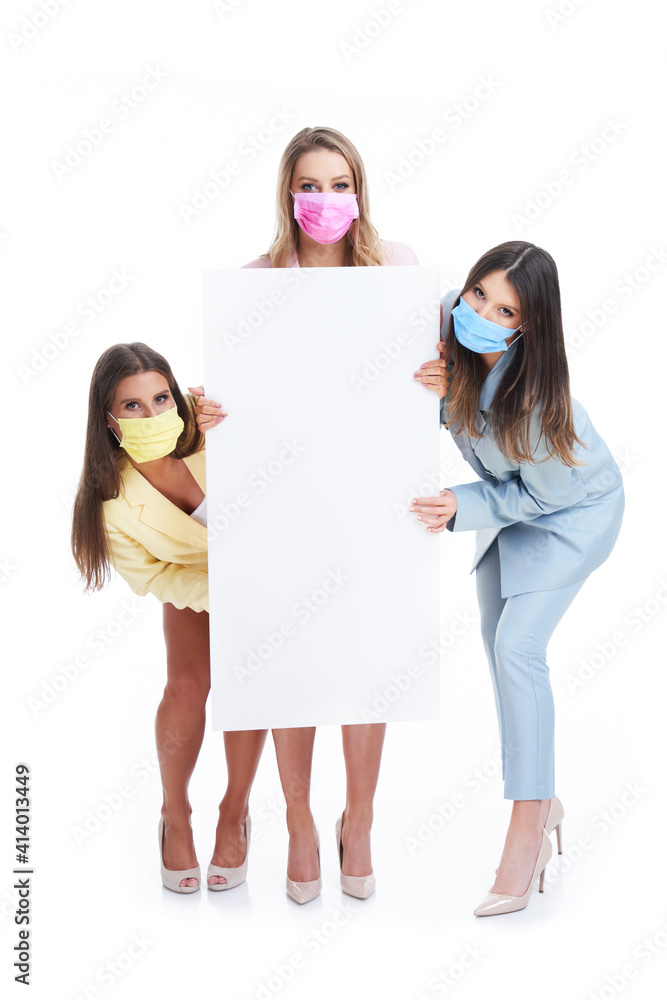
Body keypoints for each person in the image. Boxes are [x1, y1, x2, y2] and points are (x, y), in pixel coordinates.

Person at [411, 241, 624, 916]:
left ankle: (529, 819)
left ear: (525, 325)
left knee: (517, 649)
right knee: (493, 640)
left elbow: (541, 496)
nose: (479, 313)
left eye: (503, 310)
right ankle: (545, 798)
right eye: (477, 294)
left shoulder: (534, 402)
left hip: (570, 511)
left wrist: (457, 507)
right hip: (516, 494)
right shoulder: (444, 322)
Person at [240, 125, 418, 903]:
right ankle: (301, 821)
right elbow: (237, 397)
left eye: (339, 184)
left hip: (372, 493)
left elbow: (425, 389)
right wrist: (213, 410)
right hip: (285, 502)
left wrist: (438, 372)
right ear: (288, 194)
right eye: (309, 185)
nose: (325, 199)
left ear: (359, 192)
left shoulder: (399, 270)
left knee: (368, 662)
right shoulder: (253, 281)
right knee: (293, 663)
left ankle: (362, 819)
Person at [71, 343, 268, 893]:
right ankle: (174, 811)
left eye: (161, 398)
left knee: (246, 684)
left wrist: (224, 411)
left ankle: (235, 811)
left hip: (266, 565)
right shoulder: (109, 500)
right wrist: (220, 589)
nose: (153, 414)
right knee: (187, 685)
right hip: (191, 580)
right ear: (108, 420)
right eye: (132, 406)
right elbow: (150, 575)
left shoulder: (212, 430)